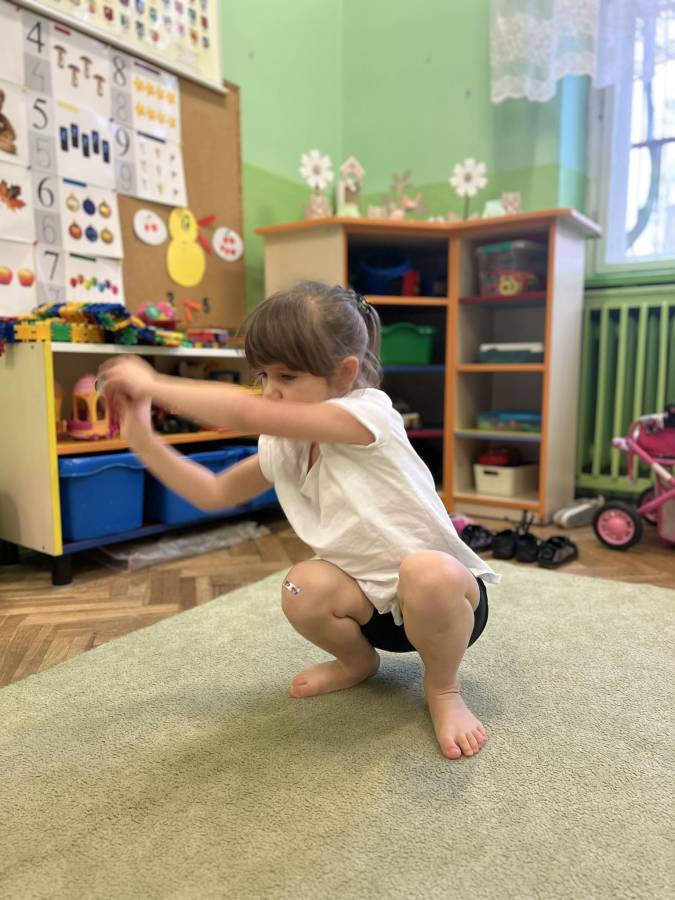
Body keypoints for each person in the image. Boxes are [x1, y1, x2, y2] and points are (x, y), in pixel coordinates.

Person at [99, 281, 499, 760]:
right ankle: (357, 662)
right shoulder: (284, 445)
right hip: (371, 611)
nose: (270, 391)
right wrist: (142, 438)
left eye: (287, 377)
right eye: (263, 375)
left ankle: (443, 688)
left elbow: (244, 412)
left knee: (426, 570)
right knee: (300, 586)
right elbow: (213, 493)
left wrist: (154, 384)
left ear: (344, 373)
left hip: (447, 603)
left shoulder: (368, 414)